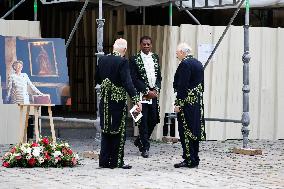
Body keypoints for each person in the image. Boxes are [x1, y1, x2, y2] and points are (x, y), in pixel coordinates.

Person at [95, 38, 142, 169]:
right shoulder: (123, 61)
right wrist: (136, 99)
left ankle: (104, 161)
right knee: (118, 131)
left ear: (114, 47)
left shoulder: (102, 59)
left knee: (105, 130)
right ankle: (116, 162)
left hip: (104, 101)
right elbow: (127, 82)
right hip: (117, 102)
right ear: (125, 50)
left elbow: (97, 78)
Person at [173, 42, 206, 168]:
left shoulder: (185, 64)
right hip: (196, 103)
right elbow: (201, 86)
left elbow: (182, 86)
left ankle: (189, 159)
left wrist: (178, 104)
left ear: (182, 52)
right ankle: (195, 157)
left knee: (185, 131)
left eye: (177, 52)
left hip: (186, 104)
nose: (176, 54)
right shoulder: (198, 63)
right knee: (194, 130)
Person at [129, 36, 162, 158]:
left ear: (151, 45)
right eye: (144, 44)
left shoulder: (155, 57)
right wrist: (146, 90)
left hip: (153, 95)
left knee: (153, 119)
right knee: (142, 121)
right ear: (140, 45)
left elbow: (159, 77)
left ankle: (139, 140)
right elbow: (134, 78)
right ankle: (145, 148)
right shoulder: (134, 59)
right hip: (141, 95)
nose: (146, 46)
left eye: (148, 44)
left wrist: (156, 89)